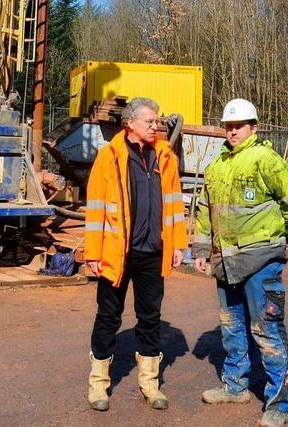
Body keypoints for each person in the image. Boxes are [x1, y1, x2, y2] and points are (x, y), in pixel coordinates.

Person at [192, 98, 288, 426]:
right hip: (225, 262)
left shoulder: (265, 159)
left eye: (239, 126)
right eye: (228, 127)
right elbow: (205, 213)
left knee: (267, 328)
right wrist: (201, 252)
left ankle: (279, 403)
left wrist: (275, 233)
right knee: (231, 328)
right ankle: (235, 385)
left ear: (253, 127)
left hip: (261, 262)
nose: (232, 132)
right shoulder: (217, 165)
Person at [84, 97, 187, 411]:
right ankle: (98, 386)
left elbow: (173, 204)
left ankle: (150, 384)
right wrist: (93, 251)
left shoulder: (164, 157)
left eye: (157, 122)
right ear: (130, 124)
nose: (155, 126)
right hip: (117, 254)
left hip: (152, 253)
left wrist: (178, 244)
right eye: (150, 122)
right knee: (108, 318)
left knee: (150, 319)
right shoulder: (109, 157)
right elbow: (96, 207)